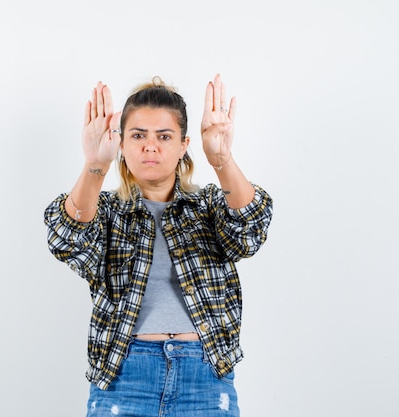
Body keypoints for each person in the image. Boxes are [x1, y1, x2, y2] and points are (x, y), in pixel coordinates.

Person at [44, 74, 273, 417]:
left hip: (204, 377)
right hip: (125, 376)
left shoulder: (209, 205)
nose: (150, 146)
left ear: (183, 145)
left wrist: (221, 158)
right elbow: (66, 239)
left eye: (164, 136)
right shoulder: (106, 211)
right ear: (121, 142)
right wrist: (95, 165)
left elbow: (250, 229)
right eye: (138, 135)